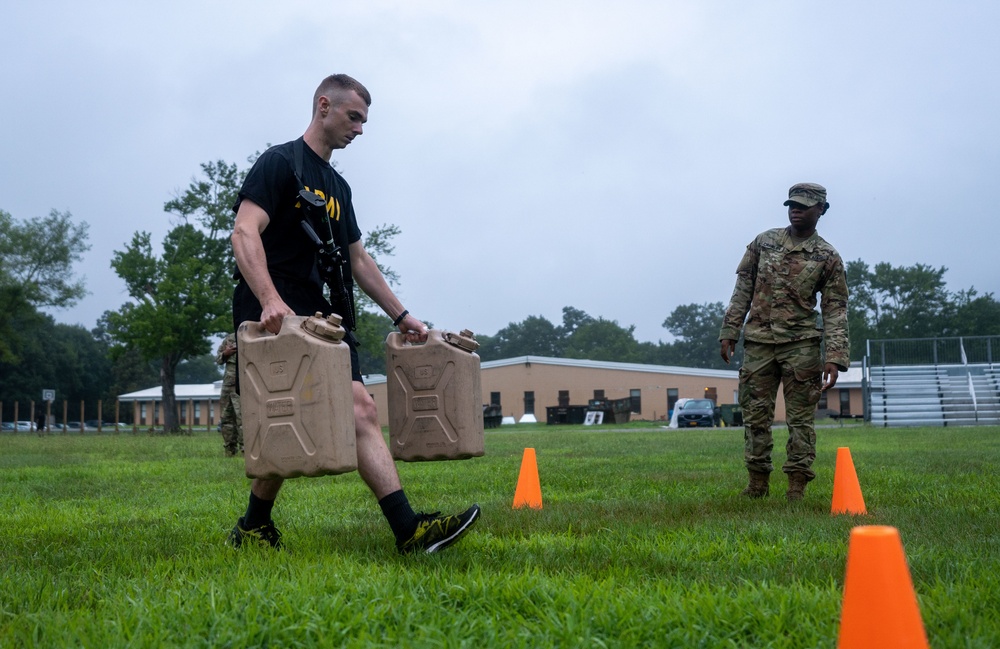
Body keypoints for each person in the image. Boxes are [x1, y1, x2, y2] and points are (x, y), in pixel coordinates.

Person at [228, 74, 480, 553]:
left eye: (364, 121)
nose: (360, 130)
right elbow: (244, 231)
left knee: (299, 417)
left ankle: (254, 527)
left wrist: (401, 314)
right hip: (274, 312)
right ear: (324, 106)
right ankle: (409, 530)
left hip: (323, 315)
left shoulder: (338, 185)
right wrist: (269, 300)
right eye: (354, 117)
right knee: (352, 408)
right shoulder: (280, 163)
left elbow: (359, 259)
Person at [719, 183, 849, 502]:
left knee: (801, 420)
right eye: (792, 204)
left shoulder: (827, 257)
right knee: (755, 414)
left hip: (801, 345)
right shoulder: (763, 243)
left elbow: (835, 308)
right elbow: (742, 290)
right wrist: (729, 329)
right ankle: (757, 483)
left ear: (821, 210)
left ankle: (796, 488)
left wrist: (835, 355)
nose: (797, 210)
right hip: (759, 343)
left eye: (805, 205)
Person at [215, 333, 243, 457]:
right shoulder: (229, 338)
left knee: (242, 418)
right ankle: (229, 450)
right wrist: (225, 354)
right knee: (226, 417)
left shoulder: (251, 334)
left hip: (243, 382)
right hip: (228, 383)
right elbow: (218, 359)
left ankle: (245, 450)